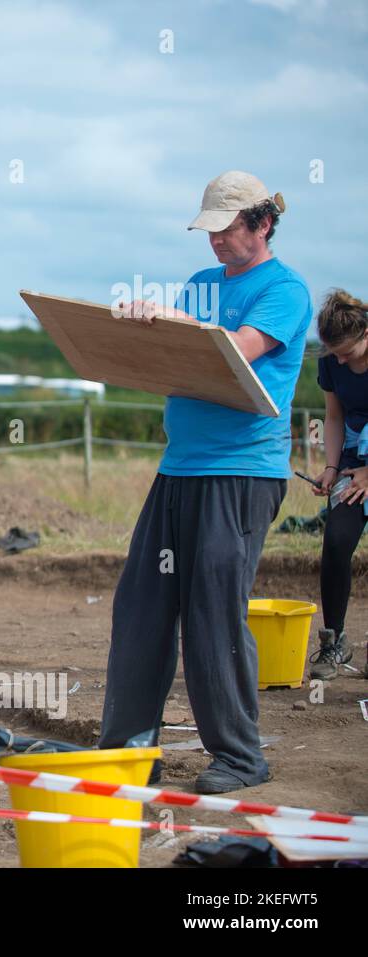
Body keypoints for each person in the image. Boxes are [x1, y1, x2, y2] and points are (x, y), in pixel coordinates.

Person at [100, 171, 311, 794]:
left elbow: (235, 350)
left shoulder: (285, 290)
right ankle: (129, 750)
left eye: (226, 229)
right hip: (180, 467)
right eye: (209, 231)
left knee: (213, 613)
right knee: (141, 607)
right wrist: (139, 328)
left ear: (262, 223)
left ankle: (241, 756)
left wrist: (172, 322)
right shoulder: (199, 287)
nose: (215, 242)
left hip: (243, 472)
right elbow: (169, 356)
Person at [309, 290, 368, 681]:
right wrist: (332, 466)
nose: (341, 360)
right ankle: (334, 643)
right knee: (335, 544)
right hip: (352, 460)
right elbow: (333, 416)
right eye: (335, 353)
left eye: (347, 352)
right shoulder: (333, 363)